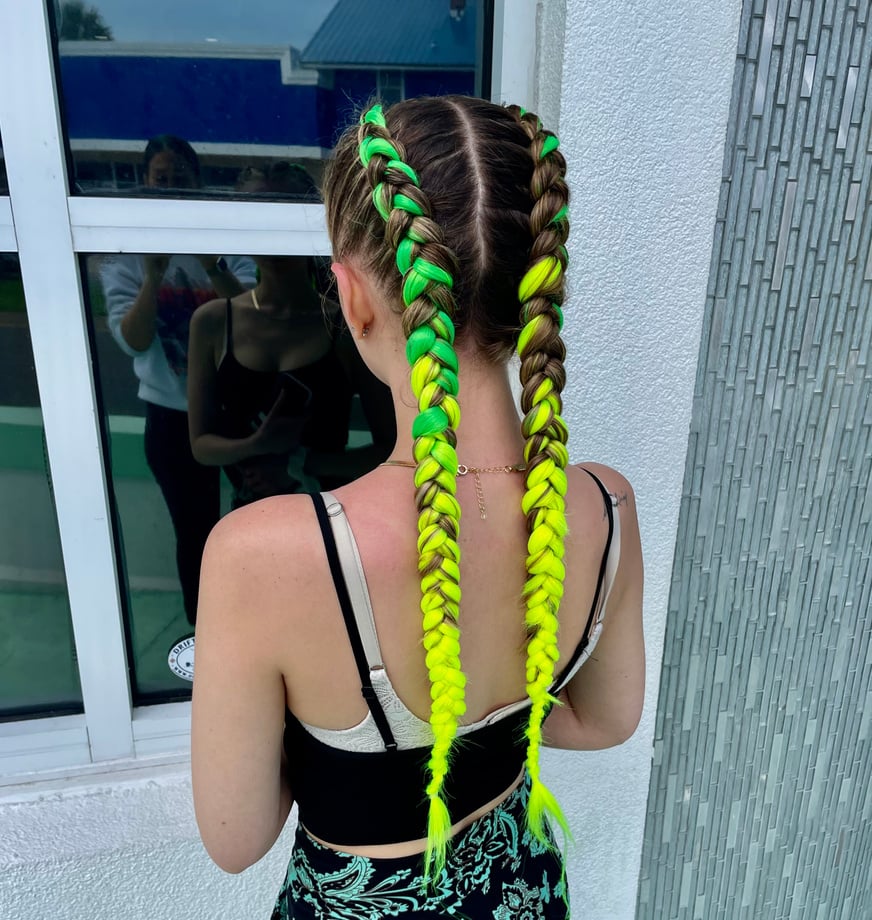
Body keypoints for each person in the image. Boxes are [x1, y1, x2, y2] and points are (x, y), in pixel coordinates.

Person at [191, 96, 644, 918]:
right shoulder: (605, 506)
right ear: (539, 285)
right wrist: (488, 729)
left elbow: (235, 837)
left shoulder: (266, 554)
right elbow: (606, 720)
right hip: (523, 893)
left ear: (352, 296)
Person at [101, 134, 256, 625]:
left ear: (198, 182)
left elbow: (254, 317)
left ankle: (258, 623)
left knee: (257, 520)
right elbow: (133, 341)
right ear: (145, 184)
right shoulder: (125, 254)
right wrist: (153, 276)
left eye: (179, 178)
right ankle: (204, 630)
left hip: (234, 410)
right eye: (160, 179)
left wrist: (210, 264)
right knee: (194, 532)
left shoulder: (227, 241)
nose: (169, 187)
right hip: (170, 417)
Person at [187, 162, 391, 509]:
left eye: (285, 221)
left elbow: (389, 447)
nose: (274, 242)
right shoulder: (212, 322)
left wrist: (300, 463)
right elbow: (201, 445)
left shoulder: (346, 326)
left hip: (327, 515)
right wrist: (257, 446)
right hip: (250, 515)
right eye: (259, 223)